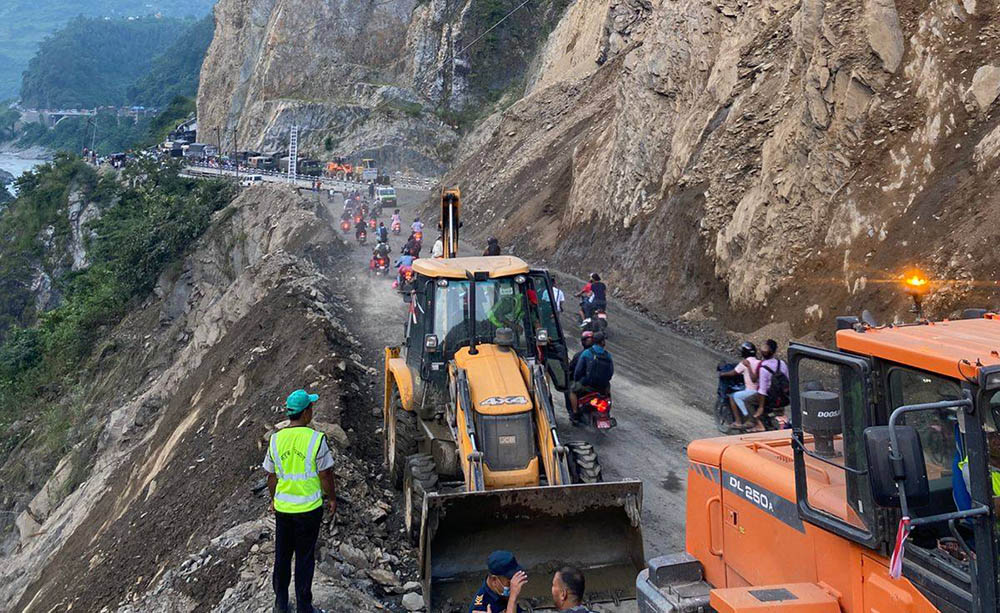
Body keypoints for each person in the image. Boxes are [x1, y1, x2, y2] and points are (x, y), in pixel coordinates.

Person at [263, 389, 336, 613]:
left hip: (284, 510)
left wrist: (273, 499)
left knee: (282, 557)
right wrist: (332, 497)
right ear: (305, 413)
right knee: (305, 559)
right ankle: (305, 607)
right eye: (311, 408)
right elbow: (325, 474)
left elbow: (271, 476)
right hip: (309, 510)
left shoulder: (276, 440)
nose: (312, 412)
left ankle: (281, 605)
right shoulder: (315, 440)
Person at [569, 331, 613, 422]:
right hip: (602, 387)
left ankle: (575, 413)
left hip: (588, 386)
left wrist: (577, 380)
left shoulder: (587, 353)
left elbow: (578, 371)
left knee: (572, 391)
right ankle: (607, 413)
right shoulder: (608, 355)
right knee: (608, 394)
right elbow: (611, 372)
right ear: (603, 342)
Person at [719, 342, 760, 429]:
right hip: (760, 391)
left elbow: (734, 373)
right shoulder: (759, 362)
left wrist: (723, 374)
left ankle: (739, 420)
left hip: (751, 391)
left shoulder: (745, 362)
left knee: (733, 396)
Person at [752, 339, 789, 429]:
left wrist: (761, 407)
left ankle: (758, 424)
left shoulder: (763, 367)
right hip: (783, 398)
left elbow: (762, 390)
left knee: (747, 400)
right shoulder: (782, 363)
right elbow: (788, 380)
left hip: (770, 398)